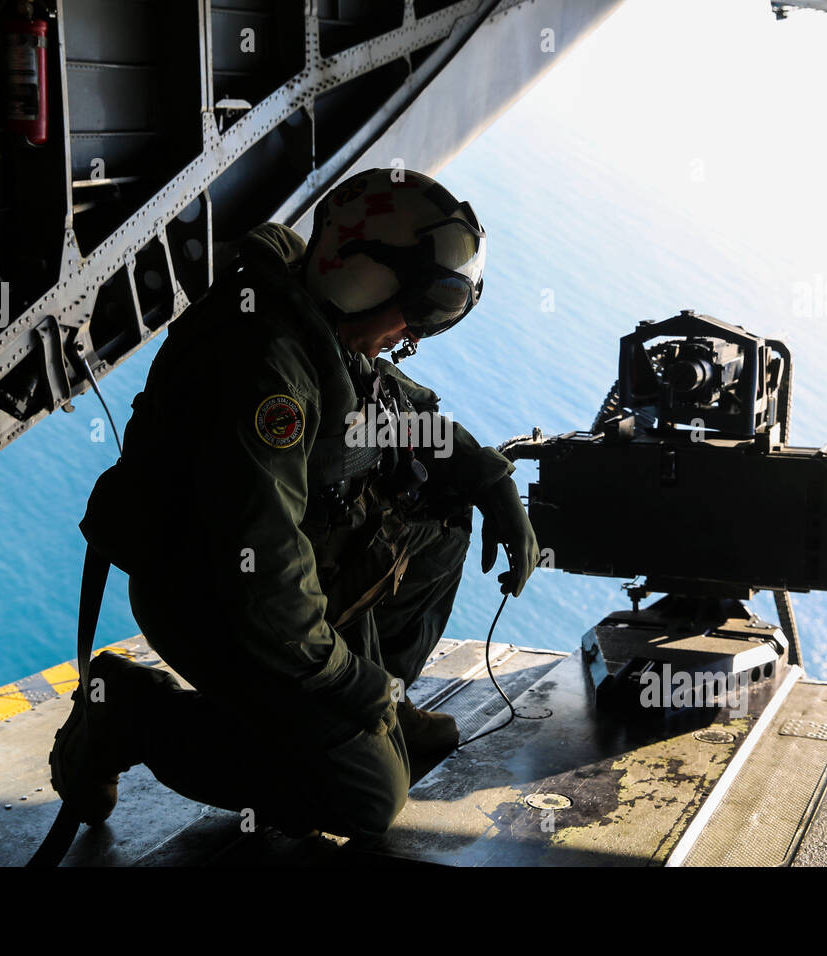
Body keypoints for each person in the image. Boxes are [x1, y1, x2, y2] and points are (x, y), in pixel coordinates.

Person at [50, 168, 539, 843]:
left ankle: (377, 713)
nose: (406, 336)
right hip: (210, 600)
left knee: (444, 514)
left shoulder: (319, 319)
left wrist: (488, 478)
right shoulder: (267, 368)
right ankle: (131, 716)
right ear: (366, 280)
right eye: (408, 315)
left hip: (285, 567)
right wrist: (347, 684)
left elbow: (395, 408)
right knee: (367, 797)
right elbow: (263, 575)